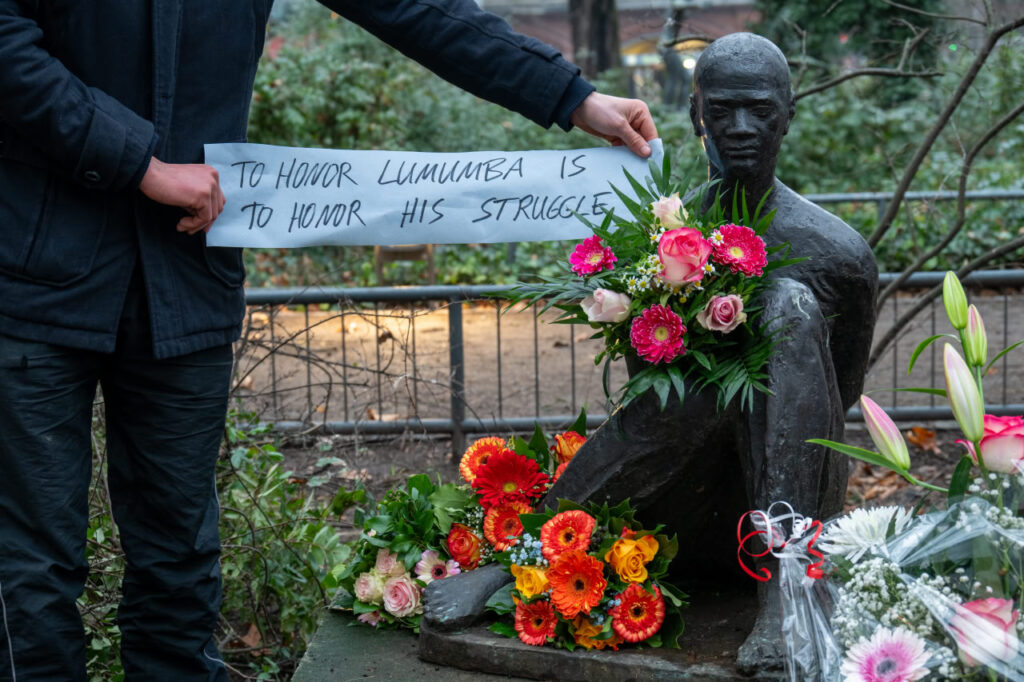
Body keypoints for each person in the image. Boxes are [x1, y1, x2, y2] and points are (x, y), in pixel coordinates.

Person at [0, 2, 657, 680]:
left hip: (184, 283)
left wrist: (572, 97)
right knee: (31, 573)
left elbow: (416, 9)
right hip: (31, 277)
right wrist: (140, 163)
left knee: (179, 566)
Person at [423, 33, 877, 673]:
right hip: (681, 497)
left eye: (759, 110)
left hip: (787, 499)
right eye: (722, 110)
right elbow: (652, 398)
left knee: (786, 305)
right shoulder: (662, 238)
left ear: (787, 115)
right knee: (692, 386)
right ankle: (522, 556)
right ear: (696, 115)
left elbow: (836, 401)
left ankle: (787, 591)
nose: (740, 128)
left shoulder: (841, 256)